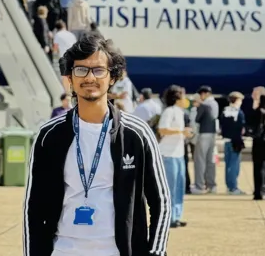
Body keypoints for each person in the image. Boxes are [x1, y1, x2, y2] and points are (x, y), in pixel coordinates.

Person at [23, 33, 171, 256]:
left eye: (99, 70)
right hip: (63, 250)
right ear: (70, 78)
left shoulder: (137, 134)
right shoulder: (48, 136)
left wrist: (155, 253)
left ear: (112, 77)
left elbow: (161, 202)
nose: (90, 77)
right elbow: (32, 209)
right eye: (81, 69)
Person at [158, 85, 190, 228]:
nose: (185, 98)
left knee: (179, 187)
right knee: (170, 188)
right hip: (168, 154)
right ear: (177, 97)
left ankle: (177, 215)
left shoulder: (180, 111)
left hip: (178, 154)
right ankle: (168, 218)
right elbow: (162, 129)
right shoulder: (169, 111)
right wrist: (181, 131)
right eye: (183, 95)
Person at [192, 85, 219, 194]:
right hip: (212, 135)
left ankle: (199, 186)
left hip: (203, 135)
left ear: (205, 94)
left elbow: (197, 119)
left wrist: (197, 107)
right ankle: (211, 185)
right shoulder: (215, 104)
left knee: (200, 161)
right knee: (210, 161)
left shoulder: (203, 105)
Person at [219, 91, 246, 195]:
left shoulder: (225, 111)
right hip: (236, 141)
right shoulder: (239, 112)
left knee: (228, 165)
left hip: (226, 140)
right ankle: (233, 187)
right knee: (234, 165)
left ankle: (229, 186)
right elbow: (241, 127)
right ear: (238, 100)